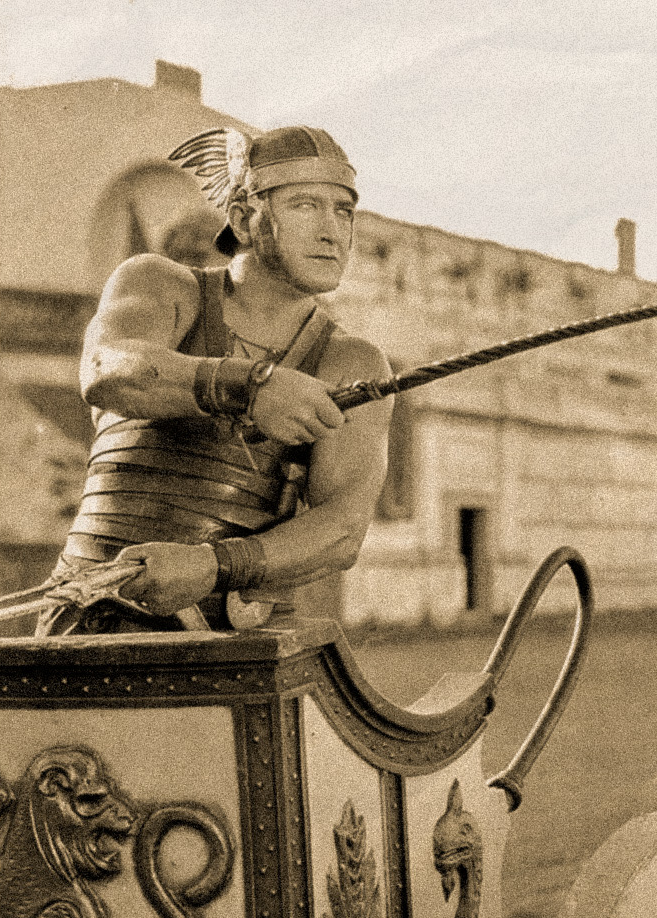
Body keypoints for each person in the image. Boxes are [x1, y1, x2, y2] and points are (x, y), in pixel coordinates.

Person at [37, 125, 394, 635]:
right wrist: (249, 385)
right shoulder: (161, 286)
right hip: (91, 616)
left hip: (237, 642)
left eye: (343, 210)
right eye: (305, 206)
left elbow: (342, 530)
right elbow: (106, 369)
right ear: (245, 220)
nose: (332, 231)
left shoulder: (351, 363)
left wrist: (212, 567)